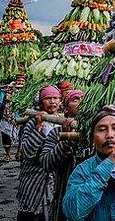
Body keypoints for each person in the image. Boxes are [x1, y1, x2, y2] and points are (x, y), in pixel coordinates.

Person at [16, 85, 64, 221]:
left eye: (55, 98)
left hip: (54, 179)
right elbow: (27, 152)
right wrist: (39, 128)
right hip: (34, 178)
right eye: (48, 98)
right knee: (31, 215)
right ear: (41, 101)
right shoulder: (32, 122)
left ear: (60, 101)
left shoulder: (63, 121)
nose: (52, 102)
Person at [39, 89, 84, 221]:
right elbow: (46, 164)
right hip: (64, 194)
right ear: (65, 108)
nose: (80, 103)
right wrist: (65, 141)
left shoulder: (96, 133)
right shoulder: (57, 132)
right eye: (75, 100)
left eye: (83, 99)